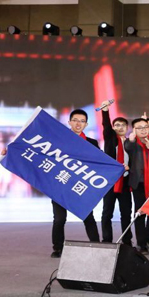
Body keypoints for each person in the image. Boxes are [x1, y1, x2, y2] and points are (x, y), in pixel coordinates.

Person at [41, 109, 101, 257]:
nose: (78, 124)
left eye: (82, 121)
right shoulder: (58, 140)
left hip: (81, 186)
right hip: (60, 184)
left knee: (88, 217)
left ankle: (97, 246)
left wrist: (119, 167)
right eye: (75, 120)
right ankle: (58, 248)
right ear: (69, 122)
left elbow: (101, 163)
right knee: (59, 219)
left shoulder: (92, 143)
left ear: (86, 124)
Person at [123, 117, 149, 254]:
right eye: (139, 128)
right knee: (140, 213)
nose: (143, 130)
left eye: (145, 127)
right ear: (134, 130)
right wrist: (131, 140)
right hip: (139, 183)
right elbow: (128, 148)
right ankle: (142, 243)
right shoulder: (131, 142)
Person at [99, 101, 133, 246]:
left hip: (125, 182)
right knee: (107, 213)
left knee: (126, 213)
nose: (120, 127)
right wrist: (105, 111)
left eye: (123, 125)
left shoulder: (131, 143)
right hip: (110, 182)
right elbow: (106, 127)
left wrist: (130, 168)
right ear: (113, 128)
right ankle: (107, 240)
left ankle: (127, 240)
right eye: (117, 125)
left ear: (127, 128)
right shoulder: (110, 139)